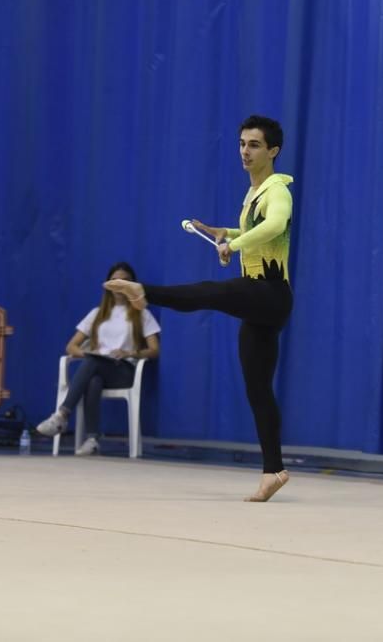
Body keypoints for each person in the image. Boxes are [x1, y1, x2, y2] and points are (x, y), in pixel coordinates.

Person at [105, 115, 293, 502]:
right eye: (242, 143)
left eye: (254, 145)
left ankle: (144, 293)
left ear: (272, 151)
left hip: (270, 293)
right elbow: (255, 231)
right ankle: (273, 471)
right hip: (259, 299)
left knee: (210, 292)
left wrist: (233, 246)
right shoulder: (252, 194)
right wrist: (227, 233)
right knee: (257, 388)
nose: (245, 150)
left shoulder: (278, 190)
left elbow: (275, 226)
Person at [37, 262, 161, 455]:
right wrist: (89, 354)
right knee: (93, 378)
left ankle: (62, 415)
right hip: (97, 367)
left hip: (124, 370)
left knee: (92, 364)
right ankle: (93, 439)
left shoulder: (142, 313)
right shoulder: (97, 314)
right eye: (115, 280)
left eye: (125, 281)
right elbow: (71, 346)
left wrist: (131, 353)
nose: (120, 284)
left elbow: (154, 349)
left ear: (133, 285)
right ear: (108, 285)